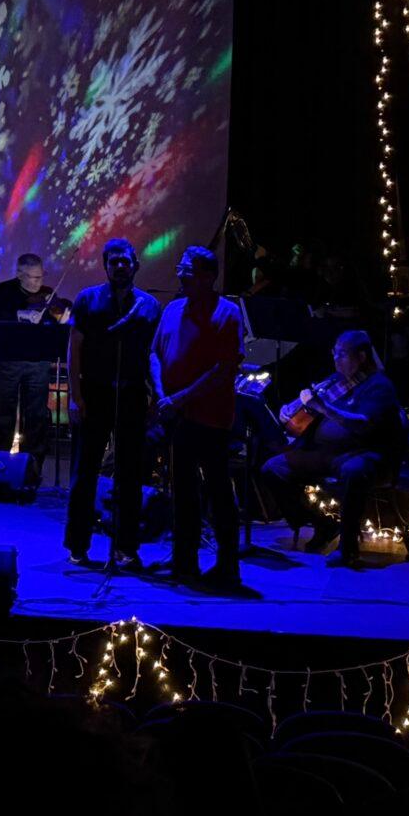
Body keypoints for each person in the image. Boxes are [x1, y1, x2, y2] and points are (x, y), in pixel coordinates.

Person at [260, 329, 405, 568]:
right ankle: (322, 524)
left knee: (354, 471)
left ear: (362, 357)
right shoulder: (337, 381)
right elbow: (310, 411)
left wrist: (324, 407)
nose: (336, 359)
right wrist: (292, 411)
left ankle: (348, 549)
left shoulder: (379, 386)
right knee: (272, 468)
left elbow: (362, 424)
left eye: (342, 354)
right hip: (326, 453)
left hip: (362, 452)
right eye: (334, 353)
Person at [150, 246, 246, 589]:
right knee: (183, 493)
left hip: (211, 418)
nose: (180, 274)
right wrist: (162, 395)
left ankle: (227, 566)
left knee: (218, 492)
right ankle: (184, 562)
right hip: (177, 416)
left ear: (208, 276)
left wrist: (177, 399)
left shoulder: (227, 313)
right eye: (180, 268)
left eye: (187, 270)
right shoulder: (173, 308)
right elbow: (155, 354)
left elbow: (223, 369)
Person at [65, 238, 163, 570]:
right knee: (85, 471)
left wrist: (156, 397)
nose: (119, 266)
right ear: (106, 266)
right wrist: (75, 397)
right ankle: (78, 544)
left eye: (125, 261)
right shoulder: (88, 299)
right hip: (94, 392)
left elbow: (154, 355)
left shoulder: (149, 306)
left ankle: (126, 547)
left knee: (130, 474)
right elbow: (74, 348)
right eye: (114, 261)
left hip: (132, 393)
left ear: (135, 265)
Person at [0, 253, 71, 483]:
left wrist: (63, 317)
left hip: (38, 362)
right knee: (3, 414)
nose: (37, 282)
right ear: (20, 274)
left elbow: (60, 317)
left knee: (36, 416)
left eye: (40, 277)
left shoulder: (48, 294)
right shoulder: (2, 291)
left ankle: (31, 470)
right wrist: (21, 314)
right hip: (7, 361)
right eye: (32, 277)